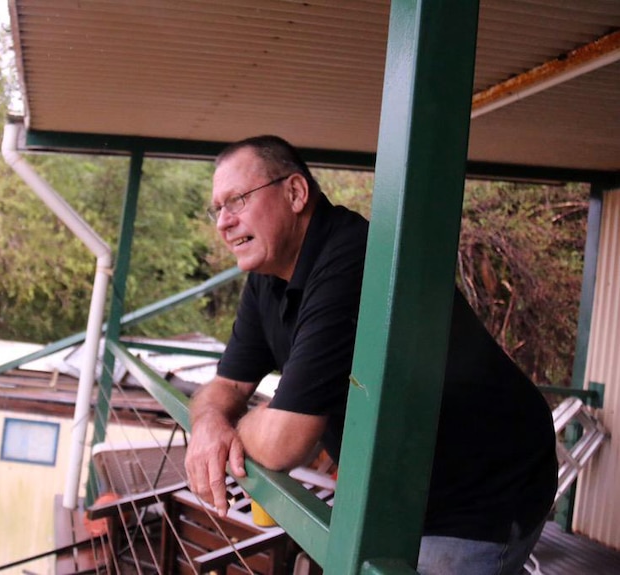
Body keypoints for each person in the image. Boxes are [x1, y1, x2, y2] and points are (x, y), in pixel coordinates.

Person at [185, 135, 558, 575]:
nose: (223, 222)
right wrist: (210, 422)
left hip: (479, 492)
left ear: (295, 193)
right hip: (396, 494)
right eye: (218, 208)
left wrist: (235, 425)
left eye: (238, 201)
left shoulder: (355, 259)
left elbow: (285, 441)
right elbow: (228, 384)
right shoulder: (269, 274)